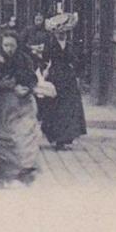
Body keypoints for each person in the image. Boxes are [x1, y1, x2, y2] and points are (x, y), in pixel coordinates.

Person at [0, 31, 41, 187]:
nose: (9, 49)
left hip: (21, 104)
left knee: (24, 137)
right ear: (1, 45)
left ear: (17, 45)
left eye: (12, 45)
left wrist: (26, 88)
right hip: (0, 103)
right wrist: (0, 85)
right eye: (6, 45)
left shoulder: (24, 59)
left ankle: (24, 171)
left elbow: (32, 79)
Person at [38, 12, 88, 150]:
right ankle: (57, 138)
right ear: (55, 33)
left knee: (69, 107)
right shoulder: (50, 44)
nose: (62, 35)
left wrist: (76, 71)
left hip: (68, 77)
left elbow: (75, 60)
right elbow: (44, 59)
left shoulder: (70, 44)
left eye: (65, 32)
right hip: (55, 76)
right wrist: (45, 71)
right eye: (60, 32)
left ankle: (67, 137)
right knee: (55, 107)